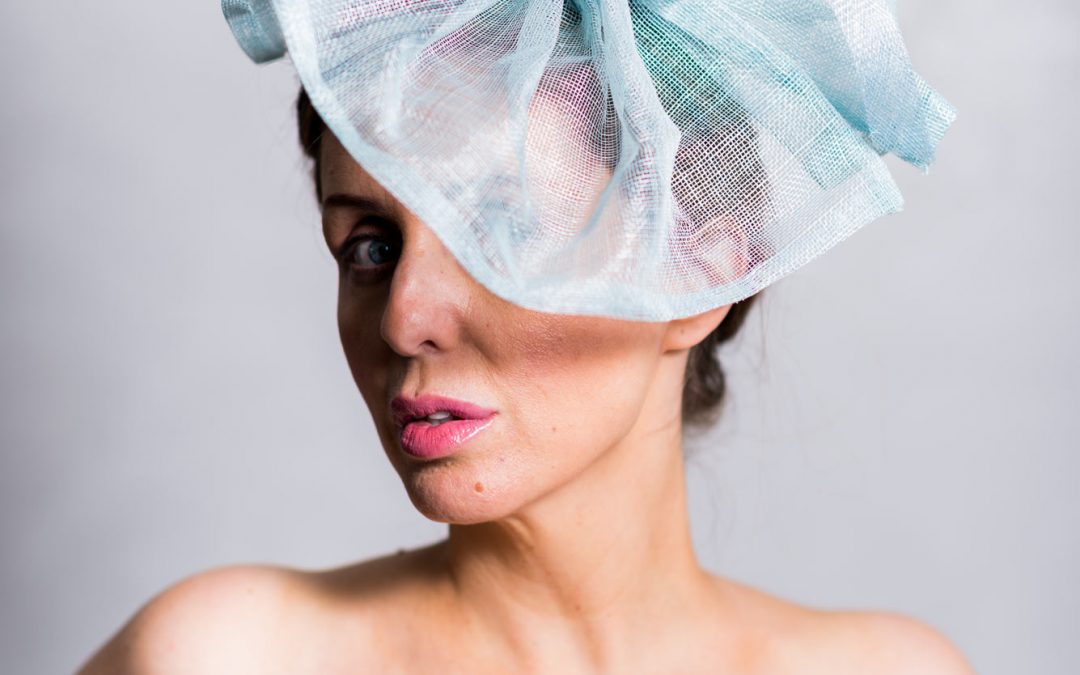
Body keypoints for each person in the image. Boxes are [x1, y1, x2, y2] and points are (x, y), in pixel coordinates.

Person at [79, 0, 971, 672]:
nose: (403, 318)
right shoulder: (221, 658)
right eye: (371, 246)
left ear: (696, 277)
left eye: (496, 231)